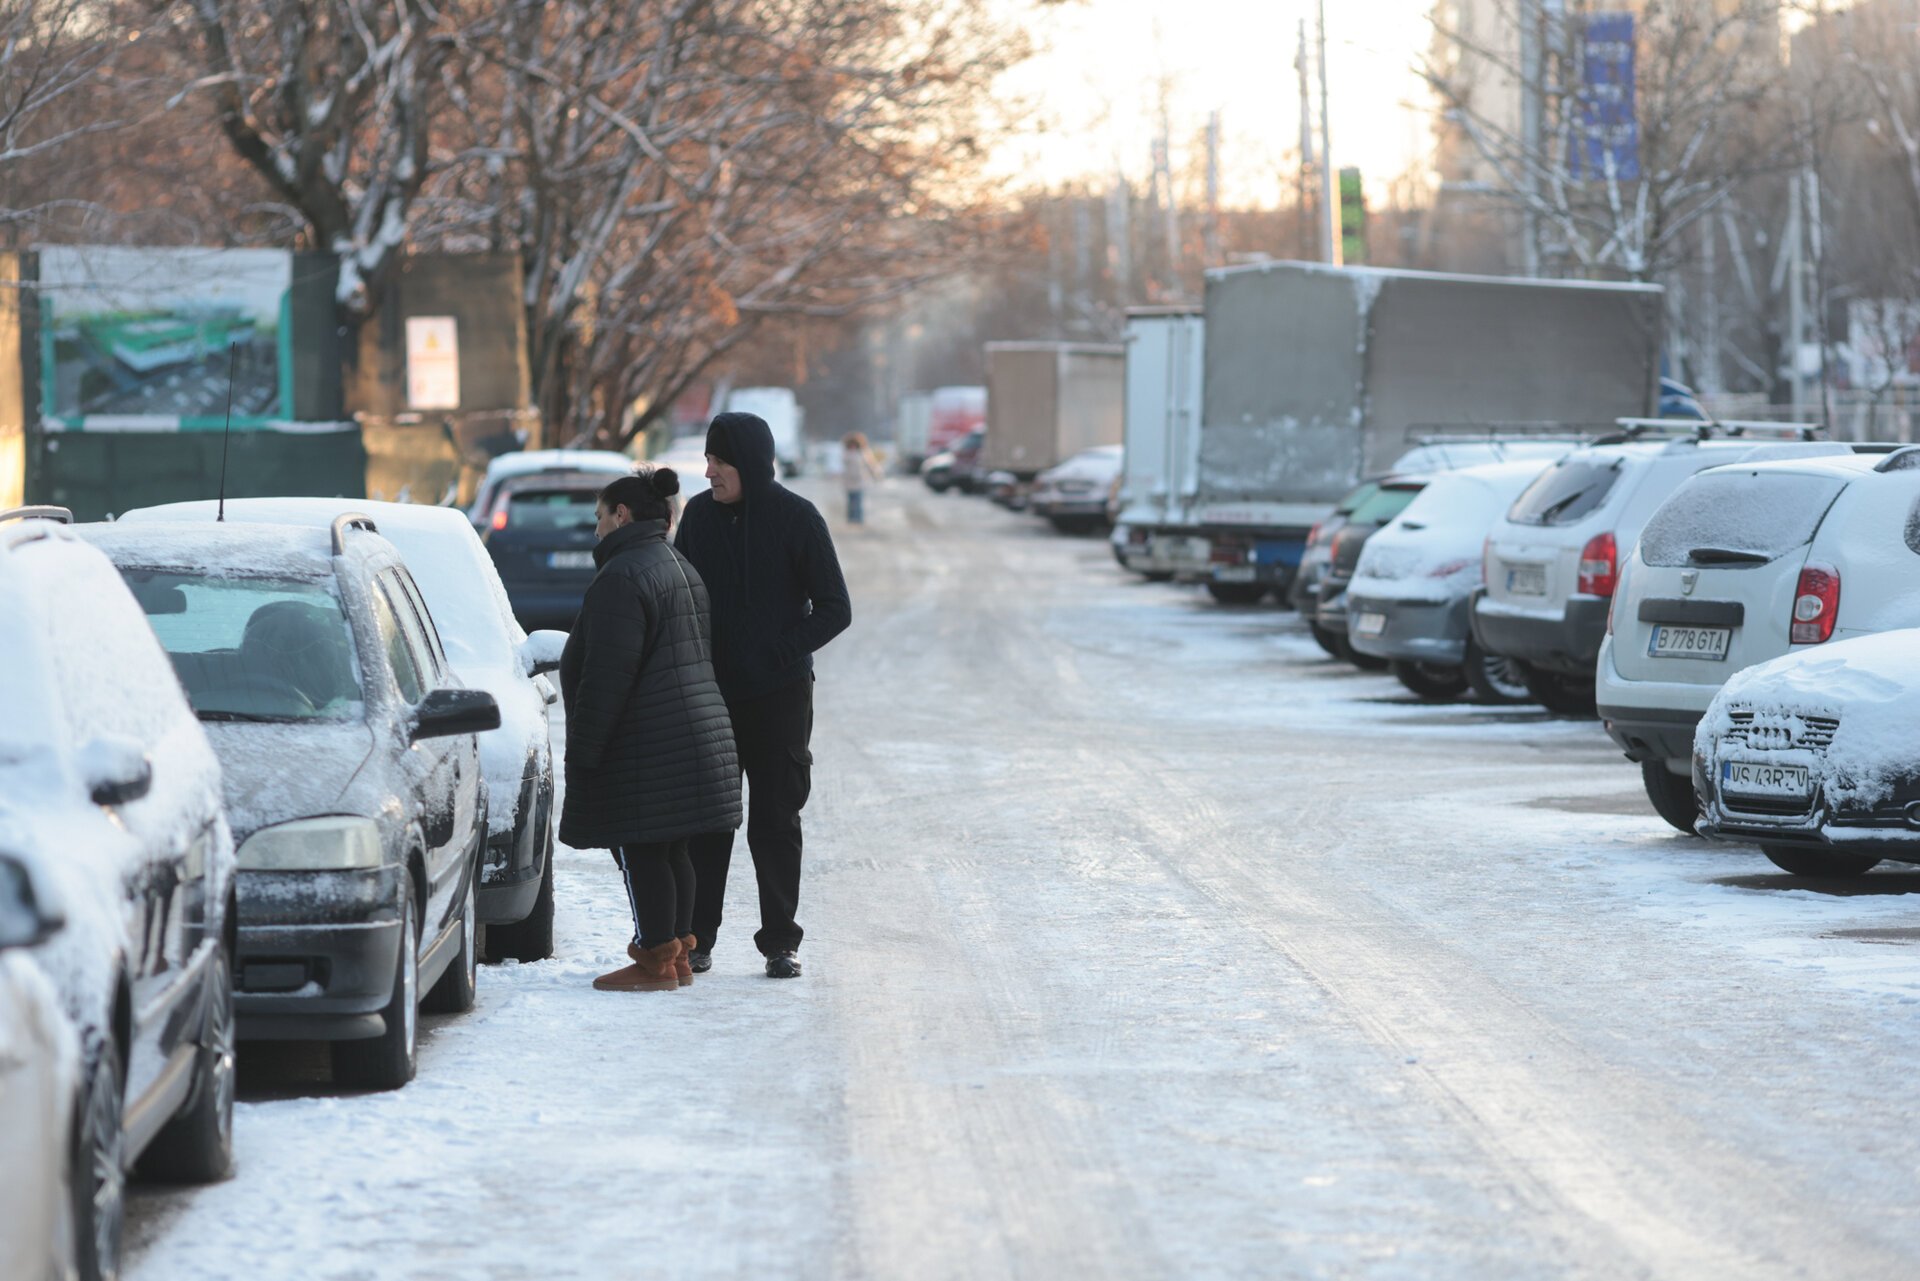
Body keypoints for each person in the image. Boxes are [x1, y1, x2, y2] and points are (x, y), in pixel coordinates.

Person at [675, 411, 851, 978]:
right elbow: (682, 599)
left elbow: (835, 609)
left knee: (776, 819)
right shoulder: (699, 517)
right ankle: (697, 939)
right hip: (713, 695)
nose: (709, 472)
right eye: (707, 460)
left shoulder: (797, 518)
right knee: (709, 819)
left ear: (749, 463)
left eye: (719, 461)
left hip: (779, 695)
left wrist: (776, 652)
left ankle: (780, 942)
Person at [558, 467, 741, 993]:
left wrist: (586, 749)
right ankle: (677, 952)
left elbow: (608, 674)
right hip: (692, 730)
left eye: (599, 516)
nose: (595, 529)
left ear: (621, 515)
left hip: (648, 738)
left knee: (642, 848)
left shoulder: (622, 576)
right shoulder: (677, 565)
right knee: (672, 846)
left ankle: (655, 959)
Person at [839, 431, 883, 525]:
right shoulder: (846, 454)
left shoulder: (864, 453)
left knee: (858, 502)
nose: (852, 447)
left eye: (854, 445)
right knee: (851, 502)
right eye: (851, 445)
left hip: (860, 482)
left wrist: (876, 474)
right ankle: (851, 520)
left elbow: (871, 465)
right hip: (849, 483)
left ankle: (858, 520)